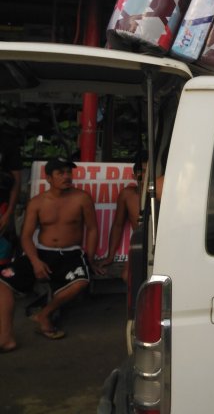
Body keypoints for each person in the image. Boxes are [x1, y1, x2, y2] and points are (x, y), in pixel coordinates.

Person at [0, 157, 98, 349]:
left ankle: (44, 314)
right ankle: (5, 337)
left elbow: (92, 229)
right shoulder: (37, 202)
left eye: (69, 172)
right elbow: (26, 236)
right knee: (2, 282)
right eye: (60, 173)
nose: (67, 176)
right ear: (49, 178)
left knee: (82, 281)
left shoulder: (82, 198)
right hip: (41, 252)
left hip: (70, 253)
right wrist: (35, 261)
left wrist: (91, 259)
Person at [96, 161, 142, 282]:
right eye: (141, 172)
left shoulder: (163, 193)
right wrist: (110, 256)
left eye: (148, 171)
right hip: (141, 241)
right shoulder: (128, 194)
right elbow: (118, 225)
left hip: (162, 241)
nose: (145, 175)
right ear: (134, 176)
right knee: (127, 276)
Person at [0, 137, 22, 265]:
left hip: (2, 207)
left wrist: (9, 213)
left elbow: (17, 182)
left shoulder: (7, 142)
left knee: (3, 258)